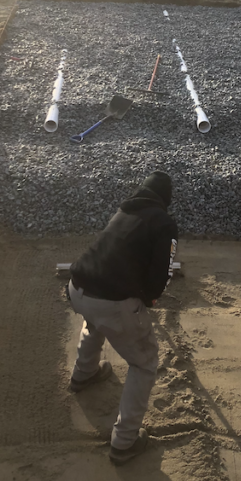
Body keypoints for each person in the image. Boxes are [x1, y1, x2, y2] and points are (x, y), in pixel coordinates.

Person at [67, 170, 178, 465]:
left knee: (94, 322)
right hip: (111, 302)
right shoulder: (164, 223)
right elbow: (162, 272)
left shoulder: (124, 210)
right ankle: (125, 442)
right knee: (144, 362)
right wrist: (150, 299)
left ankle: (84, 373)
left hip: (78, 288)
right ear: (165, 200)